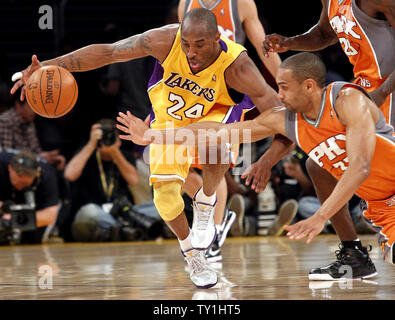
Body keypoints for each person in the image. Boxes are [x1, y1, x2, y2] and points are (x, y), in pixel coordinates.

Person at [10, 8, 294, 288]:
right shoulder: (164, 40)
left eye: (199, 45)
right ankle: (194, 256)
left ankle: (207, 203)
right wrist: (51, 65)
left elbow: (285, 121)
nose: (191, 52)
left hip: (212, 115)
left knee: (215, 144)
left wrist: (267, 161)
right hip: (168, 118)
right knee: (166, 198)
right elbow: (109, 51)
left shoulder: (239, 67)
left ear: (217, 38)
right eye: (186, 44)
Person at [118, 52, 395, 277]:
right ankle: (355, 255)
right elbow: (219, 132)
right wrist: (154, 135)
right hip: (382, 208)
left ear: (309, 86)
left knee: (315, 166)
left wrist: (320, 216)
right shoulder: (283, 119)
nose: (280, 95)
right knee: (315, 165)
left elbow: (360, 166)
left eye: (285, 88)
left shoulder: (347, 100)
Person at [261, 0, 394, 279]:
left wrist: (382, 93)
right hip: (368, 92)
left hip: (386, 92)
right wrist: (289, 42)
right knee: (318, 164)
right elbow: (324, 34)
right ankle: (353, 254)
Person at [178, 0, 283, 261]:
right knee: (176, 167)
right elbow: (179, 50)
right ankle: (211, 218)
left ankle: (211, 235)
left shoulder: (242, 3)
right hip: (193, 93)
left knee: (216, 165)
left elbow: (263, 47)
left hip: (226, 94)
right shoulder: (187, 3)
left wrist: (284, 81)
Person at [63, 119, 140, 242]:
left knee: (158, 208)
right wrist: (91, 144)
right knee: (89, 212)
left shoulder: (125, 156)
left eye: (111, 137)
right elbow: (69, 175)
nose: (107, 140)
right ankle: (126, 227)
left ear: (119, 140)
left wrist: (115, 152)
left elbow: (134, 180)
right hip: (93, 215)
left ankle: (118, 228)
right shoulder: (86, 154)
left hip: (121, 212)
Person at [0, 149, 60, 244]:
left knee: (34, 238)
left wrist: (15, 219)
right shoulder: (1, 162)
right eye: (19, 175)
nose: (23, 178)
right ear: (10, 167)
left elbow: (50, 215)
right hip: (5, 203)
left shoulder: (47, 175)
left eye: (28, 175)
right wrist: (3, 207)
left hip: (35, 210)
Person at [0, 94, 66, 171]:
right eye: (31, 107)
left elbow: (36, 149)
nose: (35, 111)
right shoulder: (5, 122)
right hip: (15, 168)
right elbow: (7, 156)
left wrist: (48, 157)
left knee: (57, 166)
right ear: (18, 105)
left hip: (31, 163)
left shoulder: (29, 121)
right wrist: (38, 157)